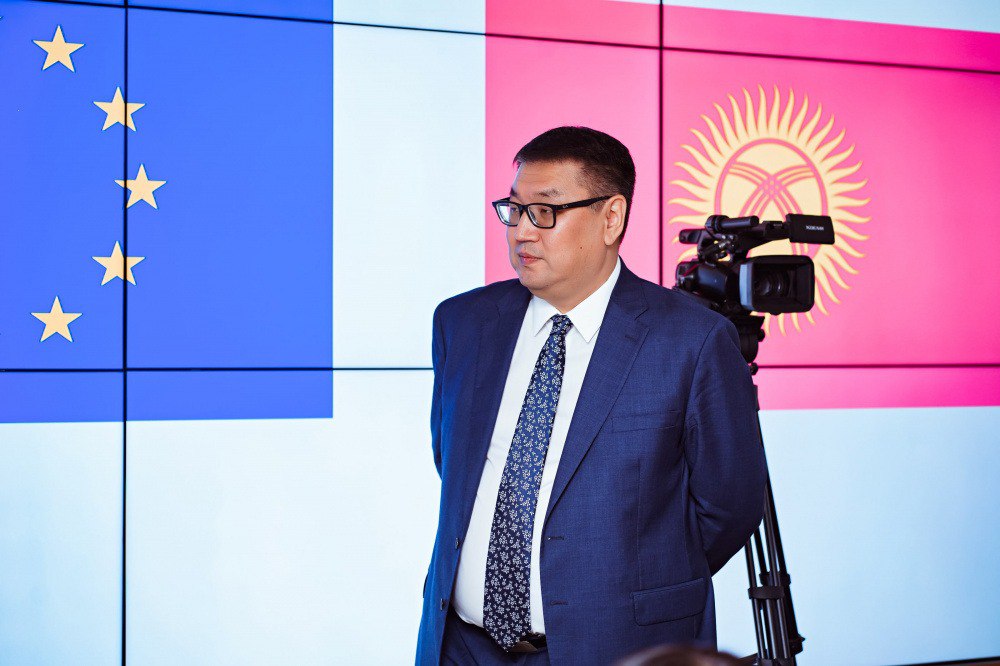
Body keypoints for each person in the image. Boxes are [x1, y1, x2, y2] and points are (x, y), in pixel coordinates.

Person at [416, 126, 766, 665]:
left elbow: (730, 506)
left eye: (545, 211)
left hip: (617, 646)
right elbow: (454, 464)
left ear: (611, 218)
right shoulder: (463, 323)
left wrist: (629, 581)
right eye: (514, 210)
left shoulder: (691, 341)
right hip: (461, 648)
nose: (521, 232)